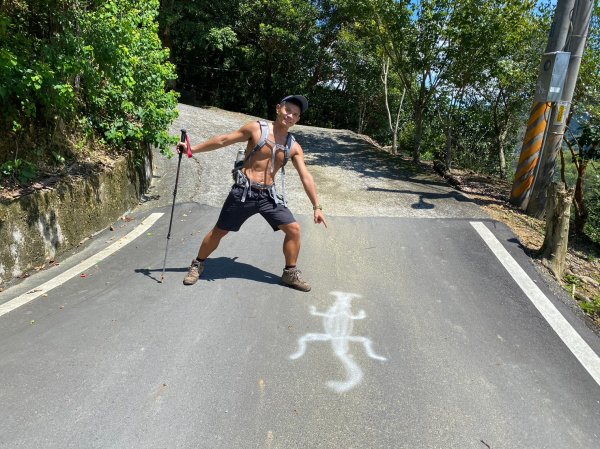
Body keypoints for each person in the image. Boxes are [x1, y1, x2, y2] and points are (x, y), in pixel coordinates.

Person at [178, 95, 327, 292]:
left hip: (268, 196)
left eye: (295, 114)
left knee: (294, 230)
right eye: (287, 110)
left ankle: (290, 273)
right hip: (243, 192)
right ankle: (198, 264)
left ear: (298, 119)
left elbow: (306, 176)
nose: (290, 115)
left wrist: (316, 206)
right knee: (219, 231)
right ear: (278, 108)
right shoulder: (257, 129)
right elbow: (223, 140)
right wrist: (192, 149)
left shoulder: (294, 146)